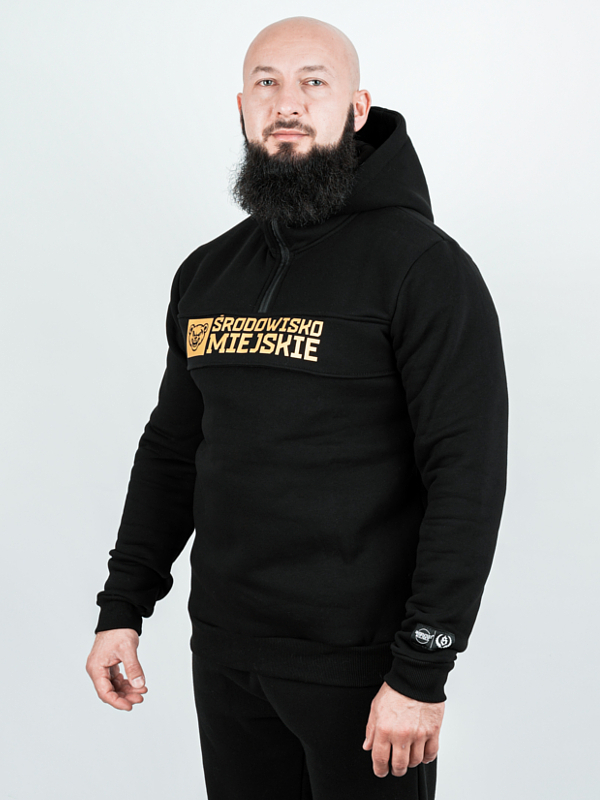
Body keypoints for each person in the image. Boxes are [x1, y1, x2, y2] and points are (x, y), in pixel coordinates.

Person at [86, 16, 508, 800]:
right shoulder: (209, 272)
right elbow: (173, 452)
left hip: (366, 672)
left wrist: (422, 670)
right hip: (226, 659)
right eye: (267, 83)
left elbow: (466, 477)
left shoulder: (423, 268)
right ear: (242, 108)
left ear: (356, 108)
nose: (287, 102)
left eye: (314, 82)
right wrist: (122, 607)